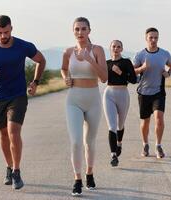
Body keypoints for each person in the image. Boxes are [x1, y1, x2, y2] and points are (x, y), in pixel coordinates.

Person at [0, 15, 46, 190]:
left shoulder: (23, 46)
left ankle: (17, 172)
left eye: (6, 32)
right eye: (0, 32)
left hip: (18, 95)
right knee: (4, 134)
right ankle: (9, 167)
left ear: (12, 28)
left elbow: (41, 60)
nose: (3, 36)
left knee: (13, 131)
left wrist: (35, 82)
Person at [61, 17, 107, 196]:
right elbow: (64, 68)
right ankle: (77, 179)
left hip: (93, 99)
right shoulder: (68, 51)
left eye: (83, 29)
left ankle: (89, 173)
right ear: (73, 31)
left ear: (89, 31)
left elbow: (104, 77)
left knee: (90, 141)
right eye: (77, 29)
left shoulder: (97, 50)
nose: (80, 33)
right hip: (74, 99)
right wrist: (65, 77)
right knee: (76, 141)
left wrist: (90, 59)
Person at [132, 27, 171, 159]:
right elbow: (133, 72)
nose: (153, 40)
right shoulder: (140, 55)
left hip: (159, 92)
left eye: (156, 37)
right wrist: (143, 68)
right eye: (151, 37)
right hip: (144, 92)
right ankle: (145, 144)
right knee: (145, 122)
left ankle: (158, 145)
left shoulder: (164, 53)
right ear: (146, 38)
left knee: (159, 119)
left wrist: (168, 73)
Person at [103, 40, 136, 167]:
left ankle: (119, 143)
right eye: (113, 46)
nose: (116, 48)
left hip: (123, 93)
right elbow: (102, 79)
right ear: (110, 48)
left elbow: (133, 80)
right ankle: (113, 155)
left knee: (120, 125)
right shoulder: (106, 63)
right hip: (109, 93)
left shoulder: (126, 62)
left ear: (122, 49)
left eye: (118, 46)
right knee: (111, 126)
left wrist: (121, 73)